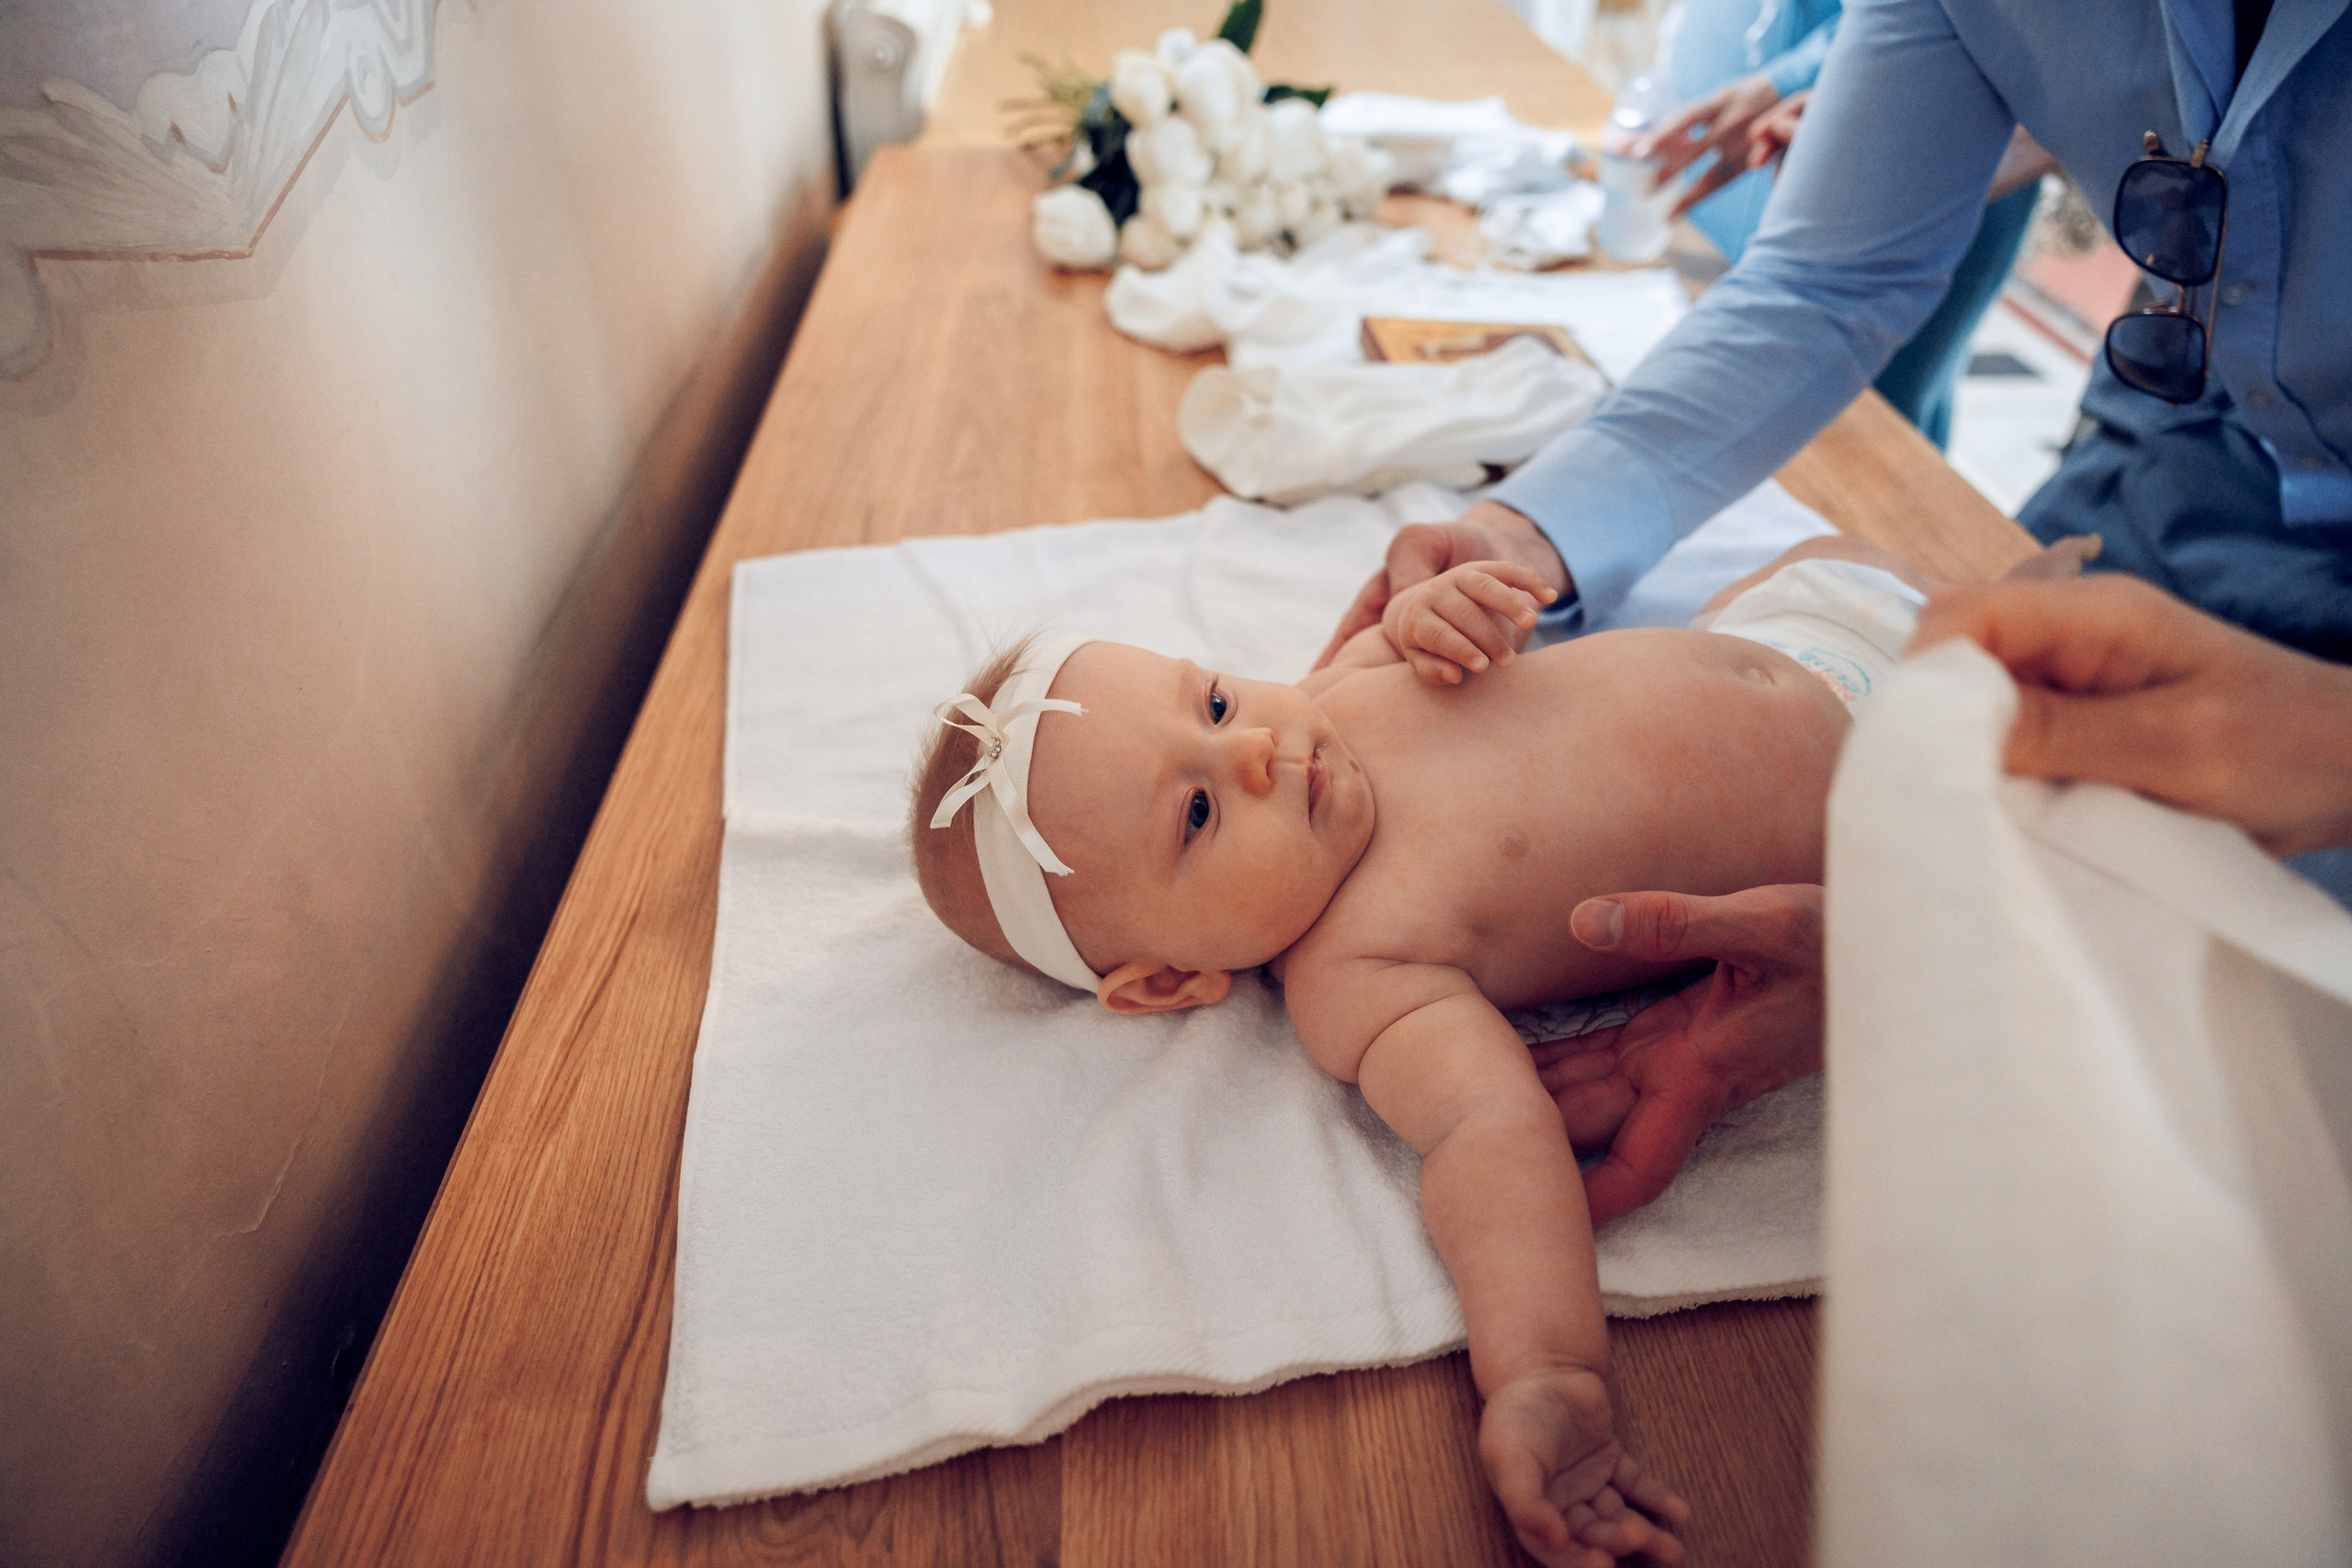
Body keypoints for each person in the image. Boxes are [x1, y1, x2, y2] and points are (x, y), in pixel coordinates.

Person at [910, 536, 1942, 1566]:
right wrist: (1545, 1374)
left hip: (1801, 620)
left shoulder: (1339, 690)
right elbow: (1486, 1139)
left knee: (1883, 546)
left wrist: (1442, 614)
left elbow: (1443, 645)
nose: (1254, 749)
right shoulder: (1358, 971)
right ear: (1173, 980)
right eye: (1196, 812)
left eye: (1213, 703)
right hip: (1921, 793)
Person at [1641, 0, 2045, 450]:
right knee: (1701, 359)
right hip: (1745, 70)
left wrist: (1796, 76)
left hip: (1911, 109)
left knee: (1863, 429)